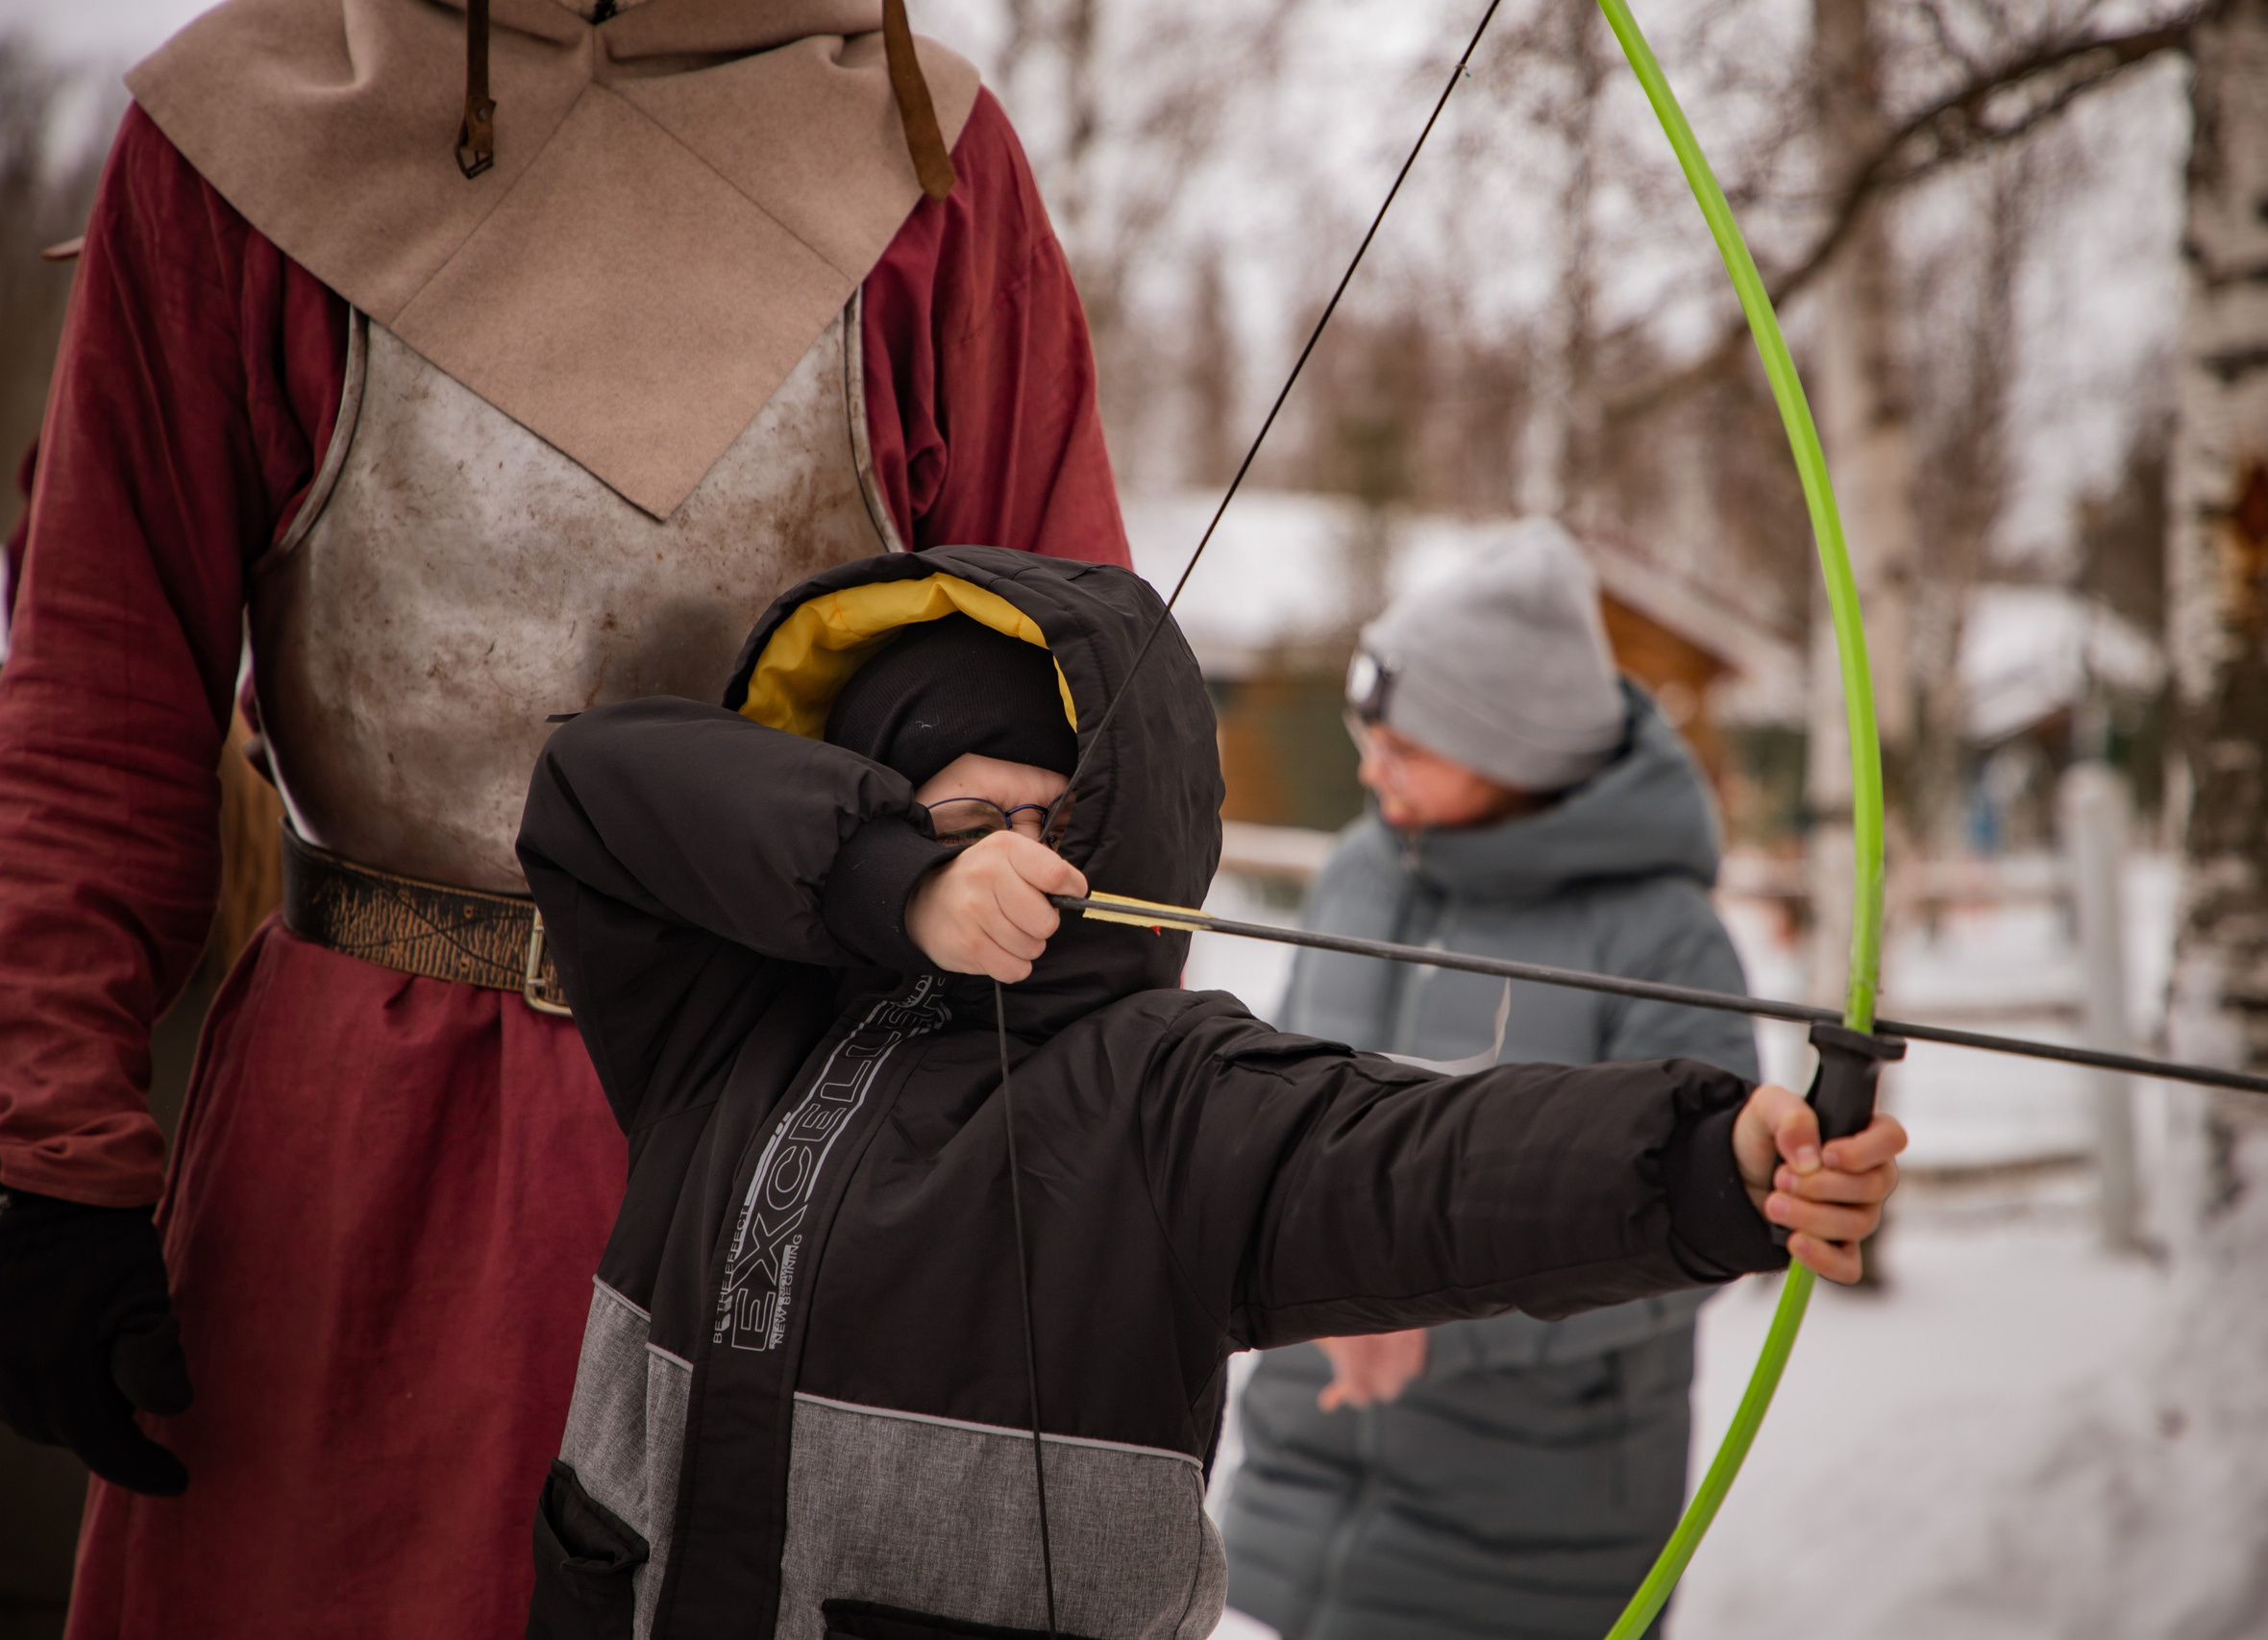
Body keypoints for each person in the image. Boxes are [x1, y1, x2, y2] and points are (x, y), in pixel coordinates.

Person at [0, 2, 1129, 1634]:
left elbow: (1084, 707)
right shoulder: (241, 132)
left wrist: (1067, 1169)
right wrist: (50, 1156)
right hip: (361, 1160)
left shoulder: (928, 158)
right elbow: (100, 696)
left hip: (792, 1148)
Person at [512, 543, 1904, 1638]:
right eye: (970, 825)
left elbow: (1407, 1155)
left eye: (1057, 824)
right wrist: (897, 885)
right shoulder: (727, 1024)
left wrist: (1705, 1163)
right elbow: (591, 783)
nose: (1019, 865)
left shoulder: (1161, 1094)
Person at [1220, 527, 1766, 1640]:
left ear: (1510, 751)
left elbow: (1701, 1225)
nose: (1370, 771)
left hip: (1530, 1539)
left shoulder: (1664, 938)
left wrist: (1430, 1322)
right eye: (1366, 738)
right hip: (1286, 1495)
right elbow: (1271, 1108)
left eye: (1405, 747)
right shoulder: (1359, 872)